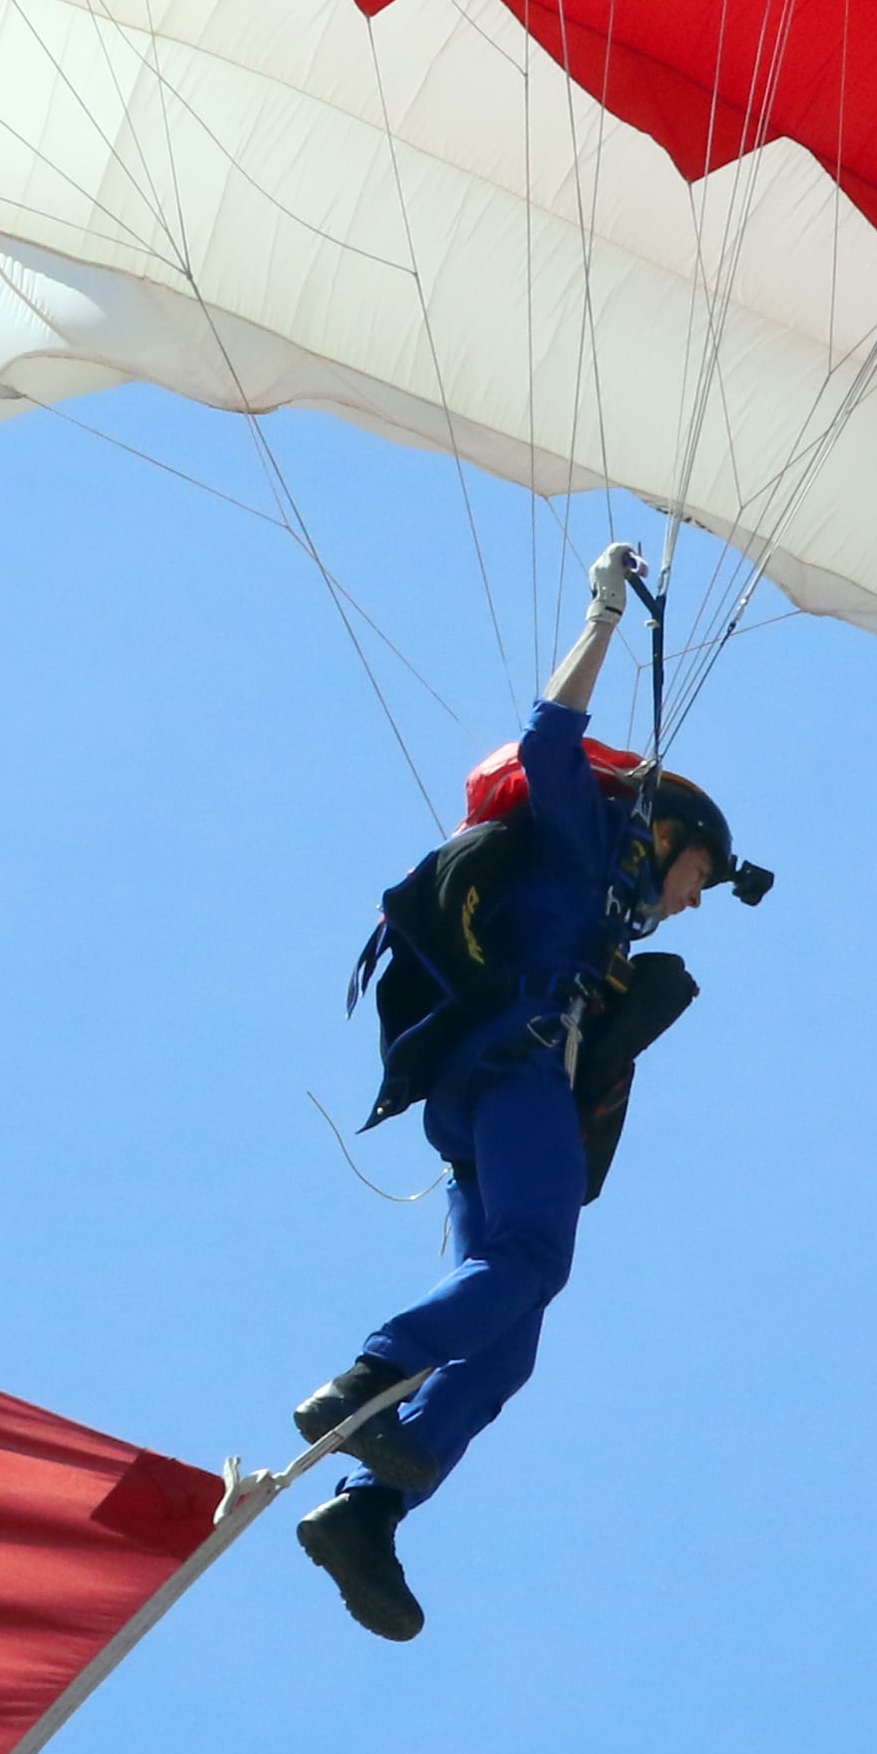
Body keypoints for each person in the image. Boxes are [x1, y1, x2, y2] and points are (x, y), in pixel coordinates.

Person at [292, 541, 757, 1640]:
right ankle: (372, 1377)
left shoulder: (604, 915)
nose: (693, 900)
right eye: (702, 874)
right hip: (513, 1069)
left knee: (511, 1334)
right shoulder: (579, 846)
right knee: (534, 1260)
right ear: (670, 834)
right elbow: (552, 738)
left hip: (485, 1111)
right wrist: (603, 616)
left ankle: (368, 1513)